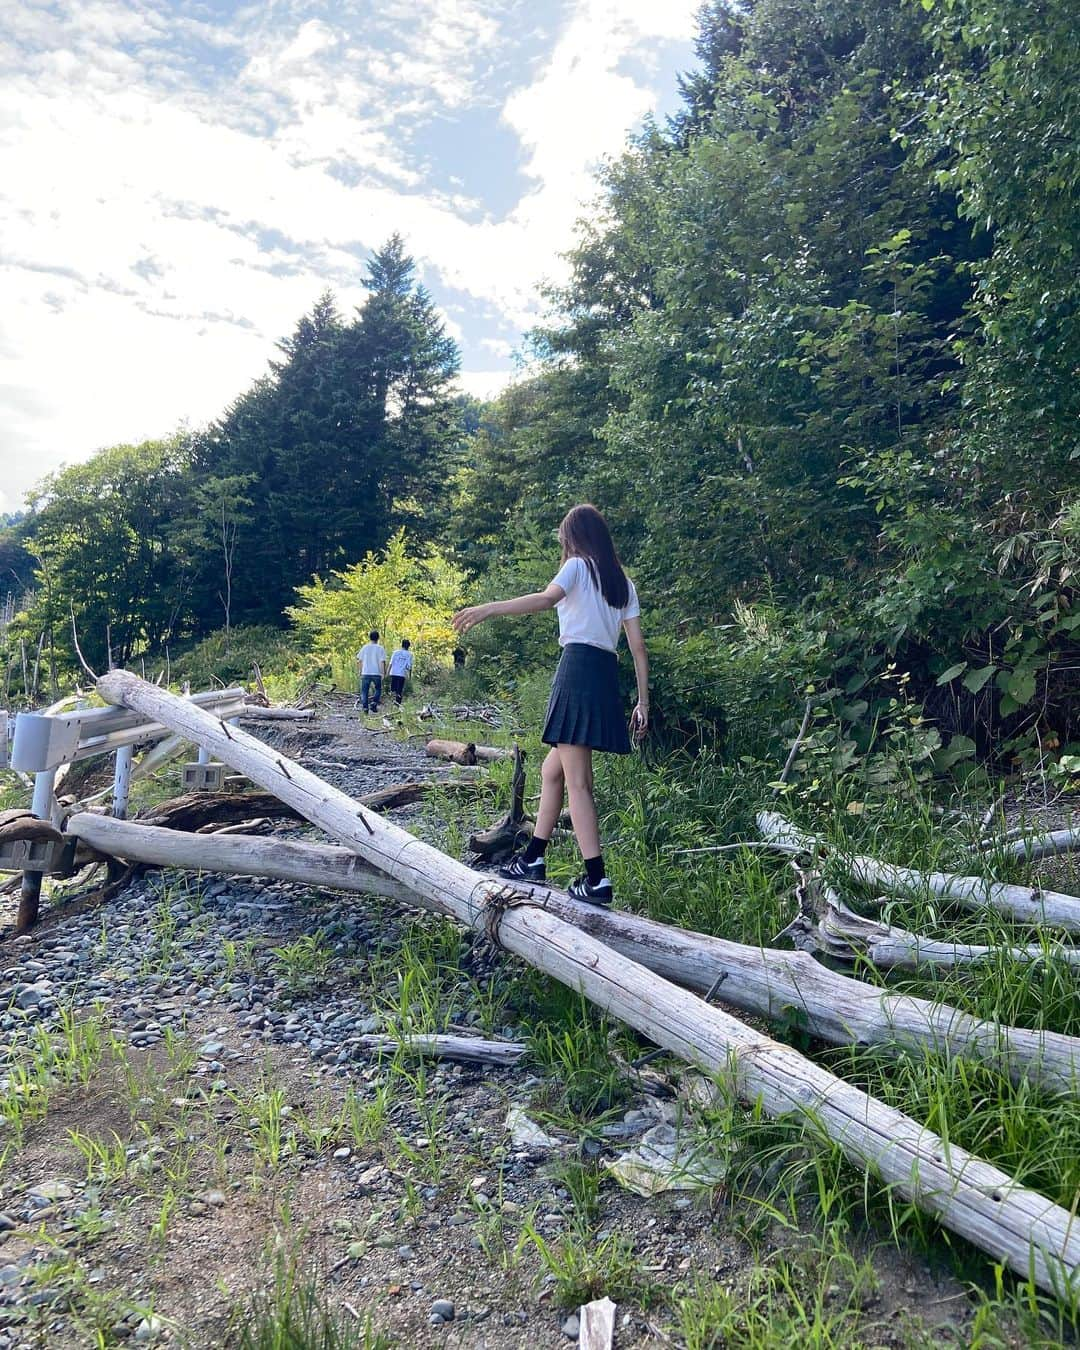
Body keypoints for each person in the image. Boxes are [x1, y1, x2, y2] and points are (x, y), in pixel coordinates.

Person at [452, 503, 648, 906]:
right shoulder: (622, 583)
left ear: (576, 538)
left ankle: (597, 879)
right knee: (552, 770)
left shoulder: (577, 567)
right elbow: (637, 648)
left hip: (577, 669)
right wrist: (643, 701)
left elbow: (546, 600)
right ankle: (534, 858)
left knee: (578, 782)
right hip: (604, 674)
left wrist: (489, 609)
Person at [356, 630, 387, 713]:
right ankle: (374, 703)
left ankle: (365, 707)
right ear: (378, 638)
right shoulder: (380, 648)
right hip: (376, 672)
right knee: (378, 689)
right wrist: (383, 673)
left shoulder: (365, 647)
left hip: (366, 672)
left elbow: (359, 660)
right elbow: (382, 662)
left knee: (364, 691)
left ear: (369, 637)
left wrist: (360, 670)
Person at [388, 638, 413, 705]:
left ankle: (392, 702)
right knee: (399, 690)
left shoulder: (395, 652)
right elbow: (409, 667)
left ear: (402, 645)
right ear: (408, 646)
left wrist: (387, 672)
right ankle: (397, 704)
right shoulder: (409, 654)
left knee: (393, 690)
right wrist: (410, 676)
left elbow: (391, 663)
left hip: (393, 673)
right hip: (401, 674)